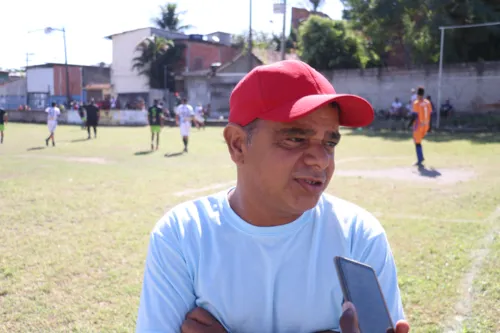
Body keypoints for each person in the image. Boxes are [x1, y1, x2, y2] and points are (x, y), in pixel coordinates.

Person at [136, 60, 409, 333]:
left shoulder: (358, 236)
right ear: (238, 145)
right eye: (295, 139)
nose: (321, 160)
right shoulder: (183, 235)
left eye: (330, 142)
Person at [408, 86, 432, 166]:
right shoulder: (427, 102)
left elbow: (414, 116)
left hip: (418, 126)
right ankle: (420, 157)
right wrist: (430, 127)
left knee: (417, 143)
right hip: (426, 126)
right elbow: (430, 114)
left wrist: (409, 124)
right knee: (419, 142)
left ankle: (420, 159)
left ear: (418, 95)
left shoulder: (416, 103)